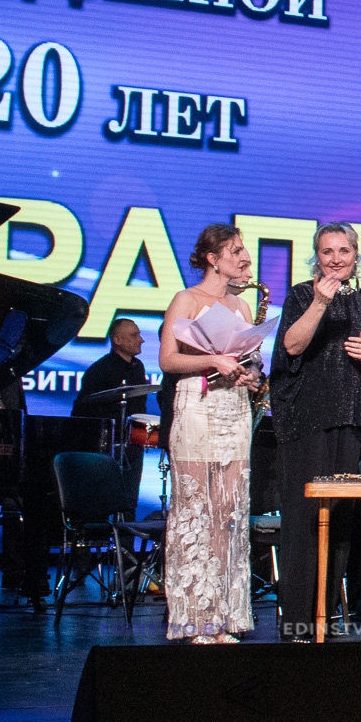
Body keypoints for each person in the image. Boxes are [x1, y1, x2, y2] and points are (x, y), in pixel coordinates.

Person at [270, 222, 361, 641]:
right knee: (304, 522)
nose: (336, 259)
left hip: (350, 422)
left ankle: (324, 615)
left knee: (339, 523)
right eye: (327, 252)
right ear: (317, 257)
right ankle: (297, 622)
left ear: (356, 257)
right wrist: (321, 302)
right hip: (306, 422)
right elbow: (292, 346)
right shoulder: (301, 295)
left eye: (343, 251)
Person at [158, 224, 261, 643]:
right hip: (197, 408)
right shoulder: (186, 299)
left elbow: (250, 363)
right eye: (235, 251)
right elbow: (168, 360)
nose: (244, 258)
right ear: (213, 258)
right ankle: (195, 619)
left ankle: (224, 618)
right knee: (195, 513)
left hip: (234, 410)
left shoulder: (241, 307)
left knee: (229, 515)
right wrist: (212, 362)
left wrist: (250, 376)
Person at [72, 317, 150, 506]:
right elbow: (83, 410)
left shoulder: (138, 367)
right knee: (103, 499)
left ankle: (127, 525)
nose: (141, 340)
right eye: (134, 335)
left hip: (133, 442)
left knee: (130, 499)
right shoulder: (99, 370)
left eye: (139, 334)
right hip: (107, 446)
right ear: (117, 340)